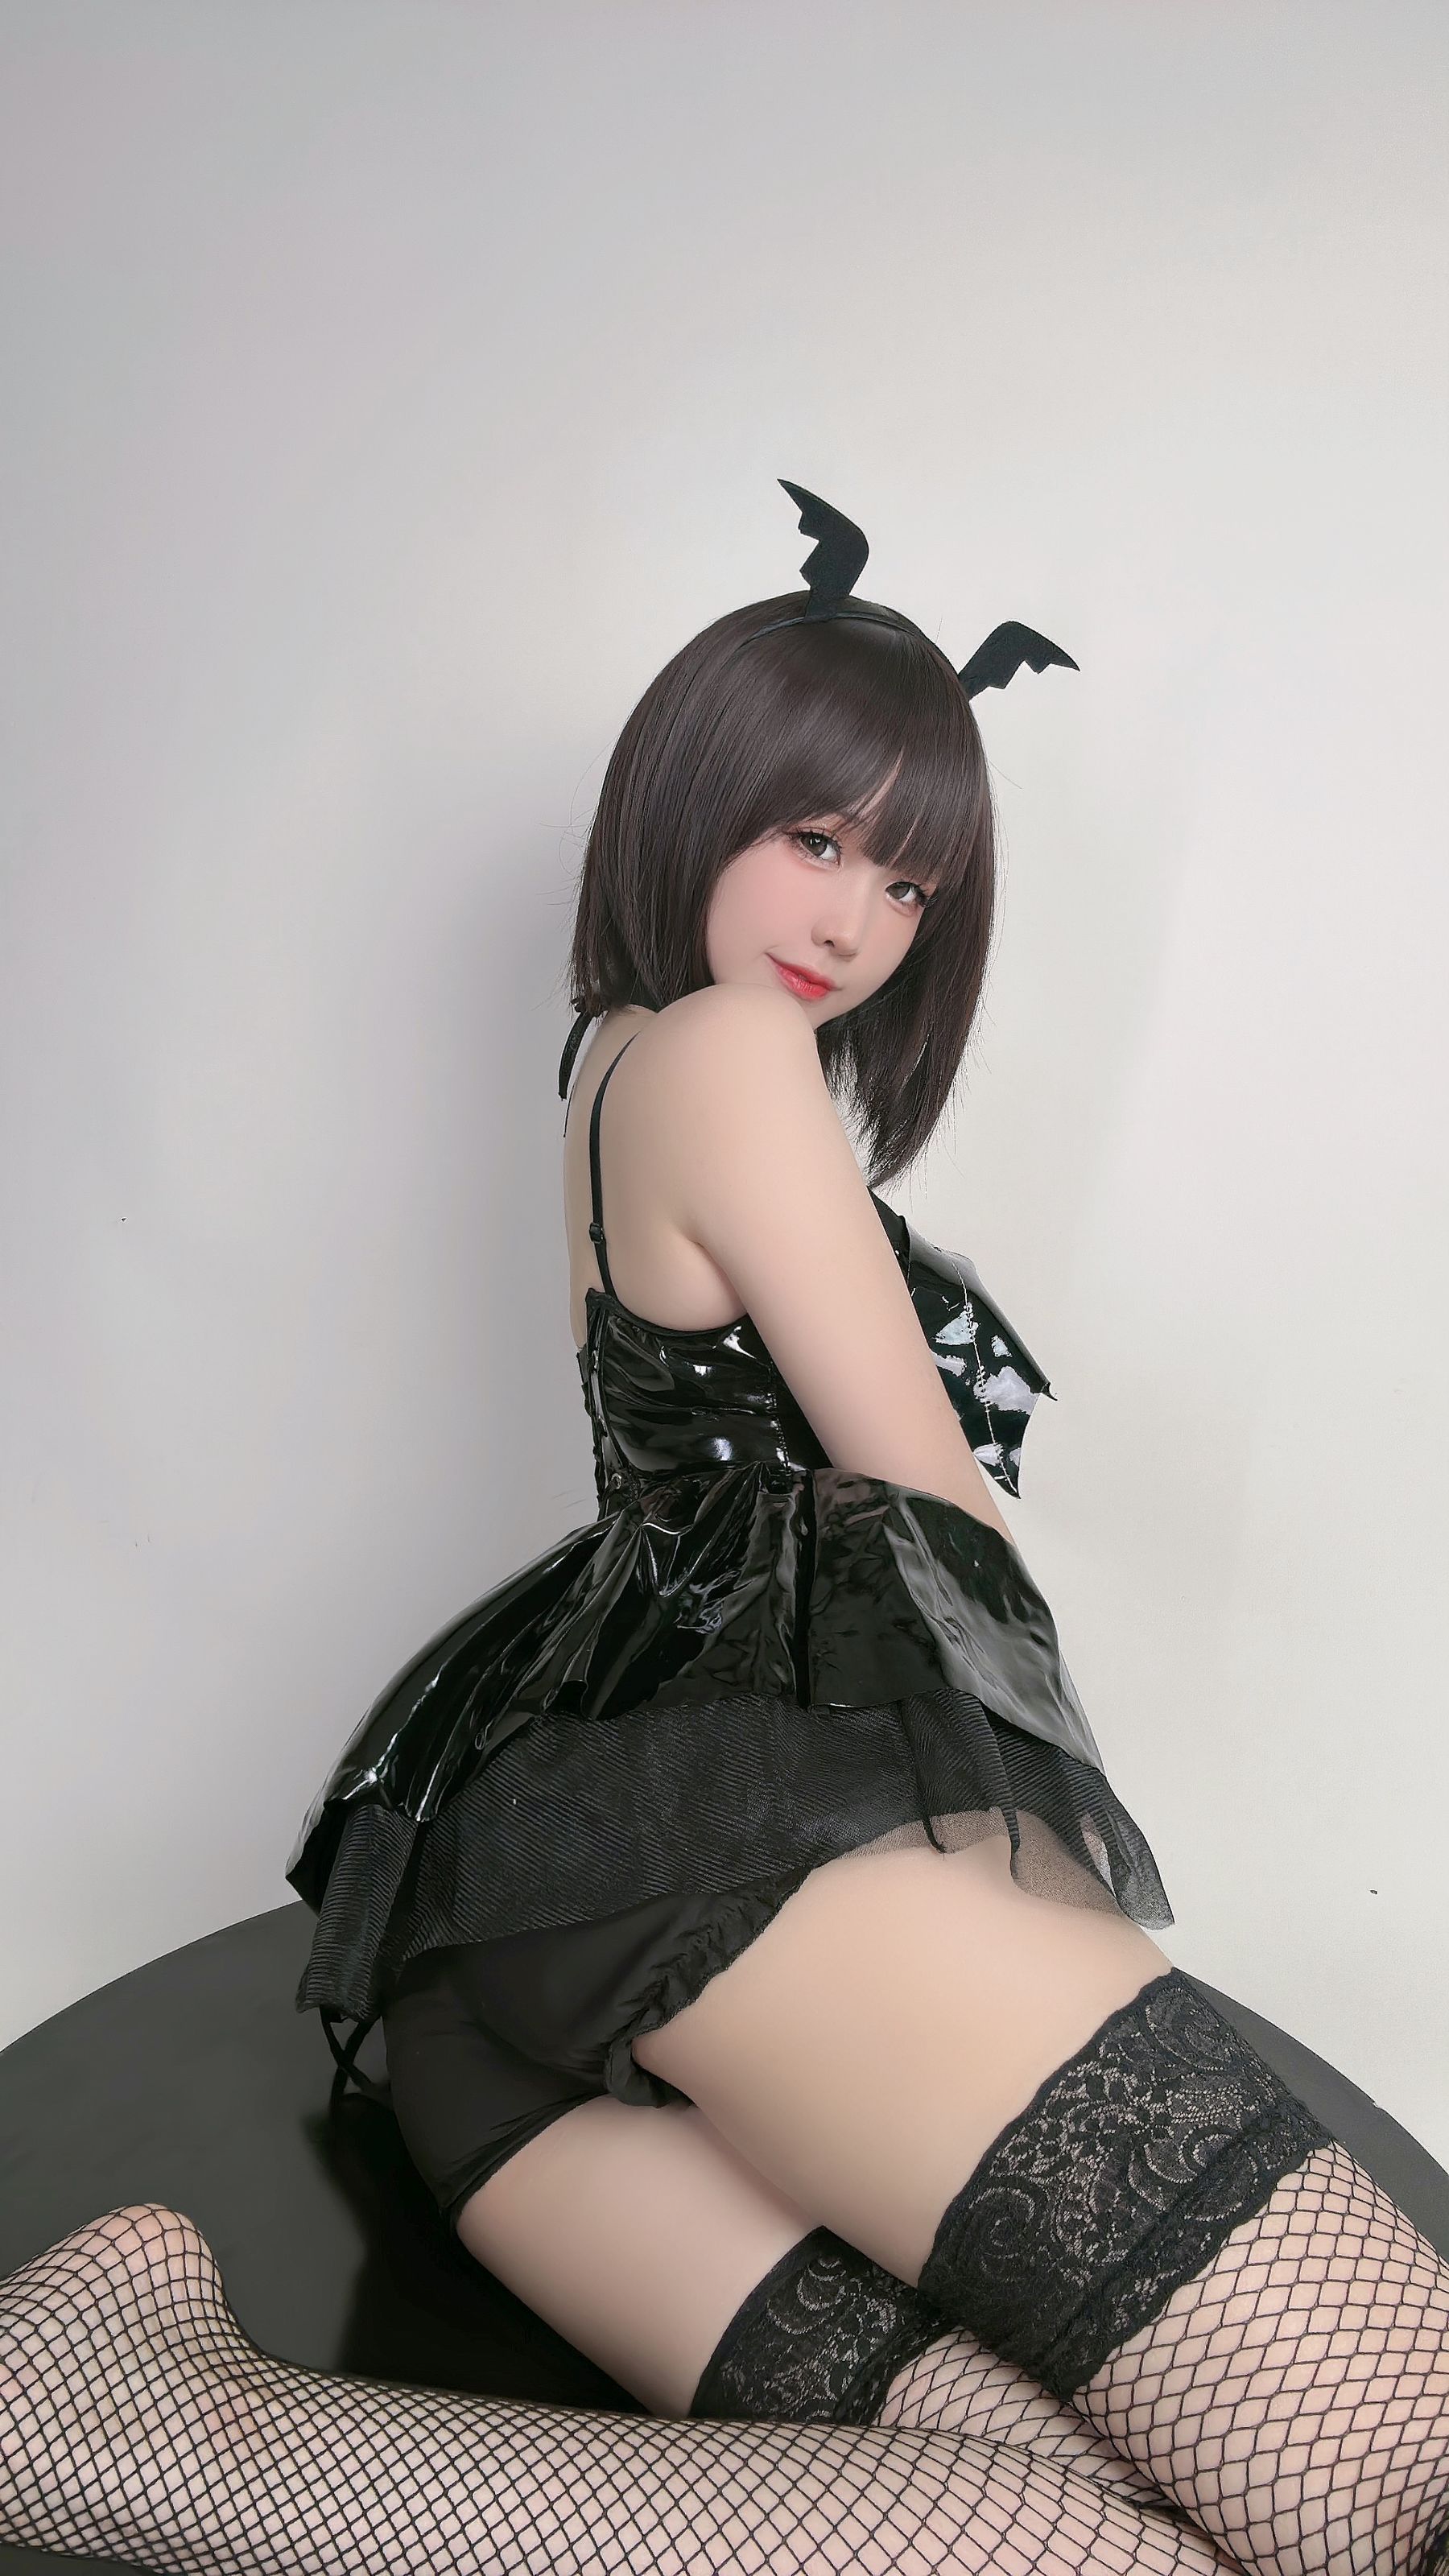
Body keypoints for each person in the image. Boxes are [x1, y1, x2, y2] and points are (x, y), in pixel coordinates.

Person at [2, 484, 1447, 2576]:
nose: (852, 921)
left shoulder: (615, 1061)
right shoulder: (736, 1050)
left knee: (1129, 2543)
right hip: (705, 1856)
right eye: (816, 837)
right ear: (698, 797)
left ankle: (153, 2430)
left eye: (910, 880)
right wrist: (1037, 1860)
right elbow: (925, 1502)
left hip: (513, 1968)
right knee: (1399, 2480)